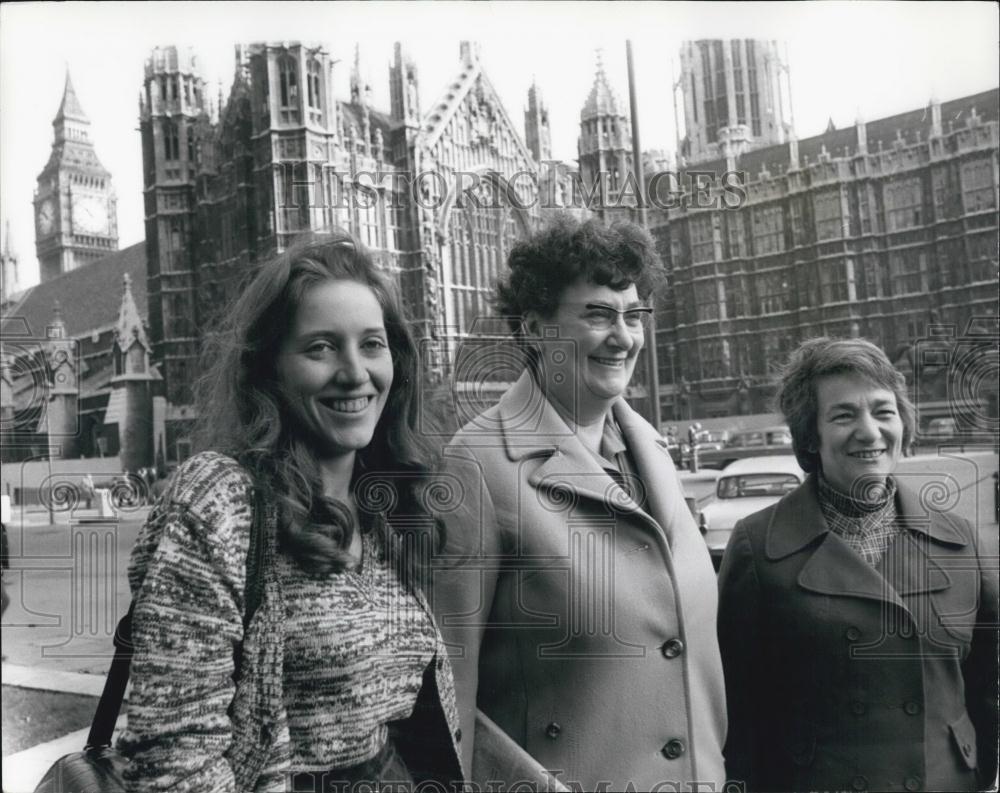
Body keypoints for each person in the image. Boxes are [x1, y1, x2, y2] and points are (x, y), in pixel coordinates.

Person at [119, 232, 463, 792]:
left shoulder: (384, 501)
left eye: (372, 344)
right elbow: (174, 762)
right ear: (269, 368)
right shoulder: (220, 501)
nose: (355, 373)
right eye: (320, 348)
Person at [431, 215, 727, 791]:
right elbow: (448, 693)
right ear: (537, 328)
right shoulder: (478, 465)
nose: (623, 336)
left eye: (633, 315)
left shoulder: (653, 454)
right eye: (597, 314)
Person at [717, 337, 999, 792]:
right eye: (844, 415)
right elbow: (739, 709)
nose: (870, 432)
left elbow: (985, 684)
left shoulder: (960, 538)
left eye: (883, 411)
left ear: (904, 424)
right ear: (811, 434)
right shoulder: (757, 544)